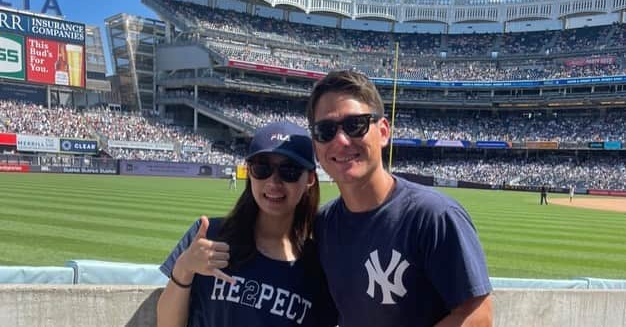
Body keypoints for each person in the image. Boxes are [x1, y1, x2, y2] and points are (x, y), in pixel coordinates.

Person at [305, 70, 493, 327]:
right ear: (315, 145)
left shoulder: (433, 216)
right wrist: (231, 253)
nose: (341, 140)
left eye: (355, 125)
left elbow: (478, 316)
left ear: (383, 132)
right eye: (325, 130)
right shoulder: (324, 225)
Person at [157, 121, 337, 327]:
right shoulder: (209, 235)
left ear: (310, 179)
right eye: (262, 168)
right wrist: (184, 267)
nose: (274, 183)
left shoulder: (318, 264)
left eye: (290, 170)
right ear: (250, 172)